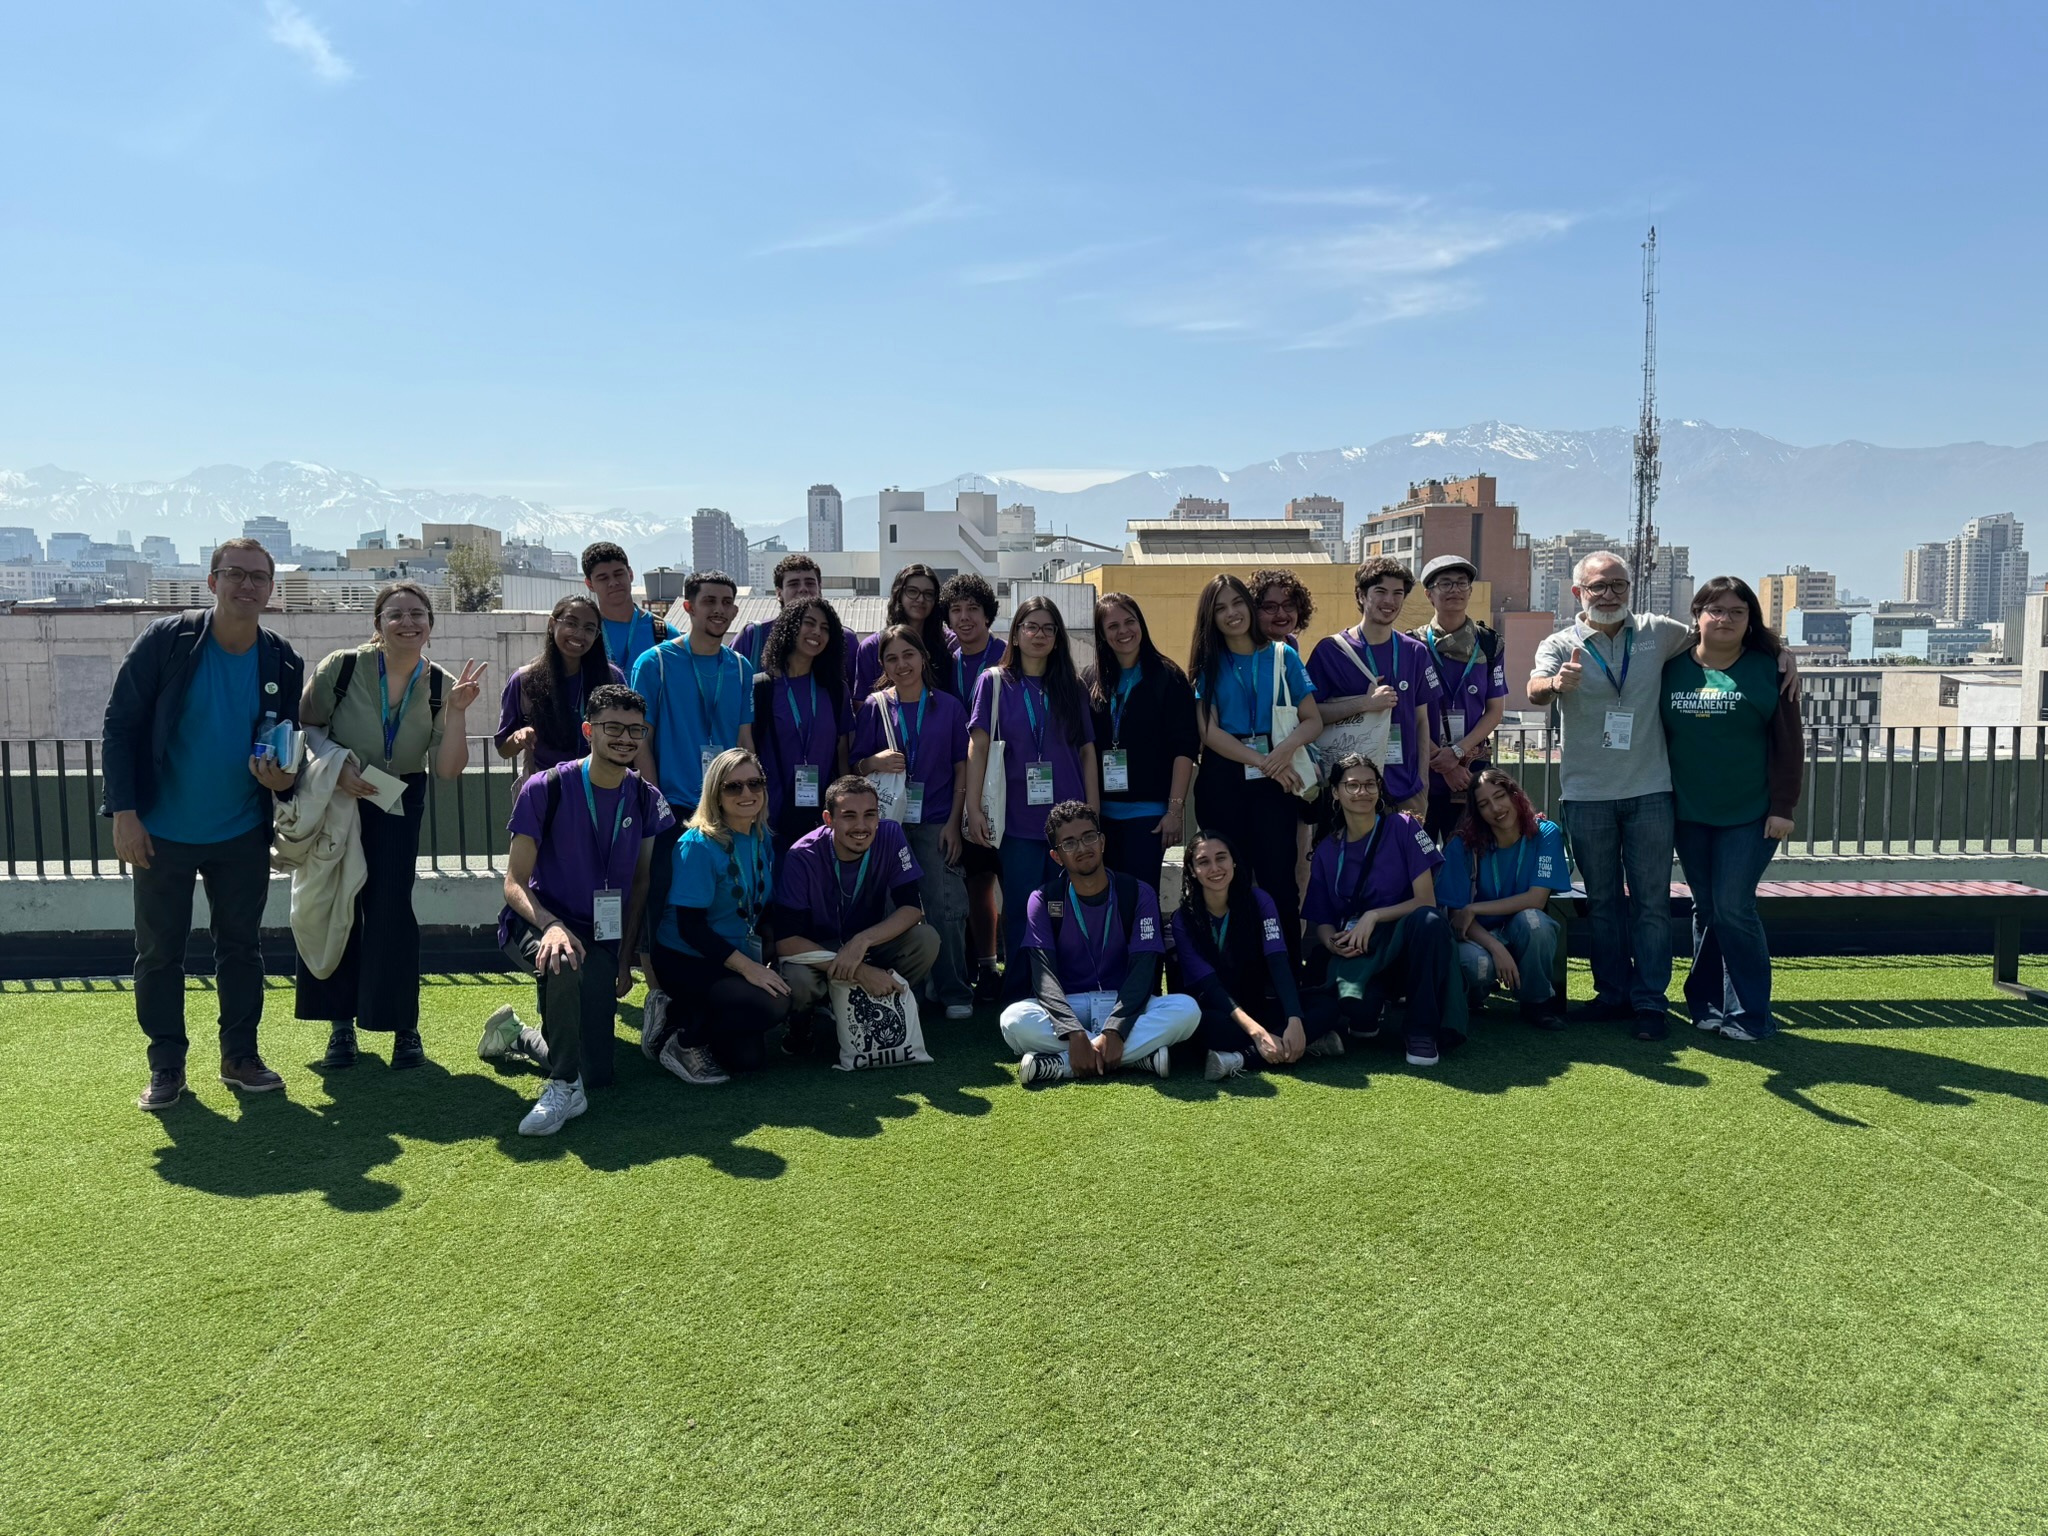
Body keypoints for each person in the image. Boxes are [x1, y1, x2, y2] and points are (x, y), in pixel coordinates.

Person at [1528, 550, 1797, 1041]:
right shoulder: (1560, 643)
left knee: (1652, 903)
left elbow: (1723, 631)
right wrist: (1554, 683)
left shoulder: (1660, 632)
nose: (1609, 594)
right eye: (1598, 586)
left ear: (1630, 588)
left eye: (1618, 584)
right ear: (1578, 592)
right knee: (1603, 902)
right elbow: (1534, 688)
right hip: (1586, 795)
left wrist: (1783, 652)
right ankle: (1613, 994)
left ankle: (1651, 1001)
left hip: (1652, 792)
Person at [103, 537, 304, 1110]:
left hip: (240, 830)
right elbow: (120, 727)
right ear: (212, 581)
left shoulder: (281, 658)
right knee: (159, 953)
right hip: (159, 830)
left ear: (271, 588)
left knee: (241, 949)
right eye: (235, 573)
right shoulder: (168, 640)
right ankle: (166, 1065)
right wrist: (124, 813)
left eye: (258, 577)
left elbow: (286, 743)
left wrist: (282, 780)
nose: (247, 585)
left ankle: (239, 1056)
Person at [298, 581, 488, 1069]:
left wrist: (457, 713)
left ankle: (403, 1026)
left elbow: (447, 770)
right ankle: (340, 1027)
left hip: (399, 796)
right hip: (340, 794)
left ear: (431, 625)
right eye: (396, 614)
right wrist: (336, 766)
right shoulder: (341, 667)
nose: (407, 622)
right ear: (377, 624)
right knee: (336, 902)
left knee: (391, 910)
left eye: (417, 614)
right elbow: (308, 725)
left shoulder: (443, 685)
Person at [482, 685, 672, 1135]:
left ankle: (517, 1034)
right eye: (613, 728)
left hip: (601, 934)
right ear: (589, 730)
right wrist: (551, 925)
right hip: (536, 921)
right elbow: (513, 882)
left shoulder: (646, 798)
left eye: (635, 730)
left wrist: (624, 960)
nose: (625, 739)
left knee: (599, 1072)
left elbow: (641, 884)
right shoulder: (545, 787)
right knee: (563, 958)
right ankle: (564, 1086)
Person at [1661, 576, 1804, 1042]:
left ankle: (1751, 1014)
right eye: (1716, 610)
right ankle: (1706, 1004)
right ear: (1697, 615)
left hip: (1751, 813)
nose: (1725, 619)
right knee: (1706, 908)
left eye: (1737, 612)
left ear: (1750, 620)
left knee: (1733, 907)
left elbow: (1789, 745)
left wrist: (1783, 807)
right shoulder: (1670, 667)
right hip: (1688, 812)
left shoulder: (1770, 670)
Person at [997, 802, 1200, 1085]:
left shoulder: (1137, 892)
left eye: (1089, 837)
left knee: (1187, 1010)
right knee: (1013, 1019)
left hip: (1122, 1002)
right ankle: (1134, 1057)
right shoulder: (1042, 900)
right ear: (1057, 856)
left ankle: (1065, 1063)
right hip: (1071, 1004)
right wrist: (1073, 1031)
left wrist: (1115, 1029)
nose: (1082, 848)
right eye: (1069, 843)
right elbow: (1044, 979)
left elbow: (1143, 970)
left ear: (1102, 842)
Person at [964, 597, 1099, 999]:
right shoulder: (993, 682)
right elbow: (978, 747)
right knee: (1023, 910)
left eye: (1048, 628)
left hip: (1070, 820)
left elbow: (1087, 751)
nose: (1039, 635)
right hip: (1017, 819)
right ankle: (1021, 995)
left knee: (1068, 909)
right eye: (1031, 627)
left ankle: (1068, 990)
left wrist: (1093, 813)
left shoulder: (1071, 686)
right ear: (1016, 634)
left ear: (1058, 637)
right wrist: (973, 807)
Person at [1188, 573, 1322, 966]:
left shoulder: (1283, 655)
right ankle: (1237, 977)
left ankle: (1287, 977)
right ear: (1210, 617)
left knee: (1280, 883)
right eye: (1220, 608)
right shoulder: (1209, 664)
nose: (1232, 613)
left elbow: (1312, 719)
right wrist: (1263, 761)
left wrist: (1283, 751)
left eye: (1237, 603)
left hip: (1277, 777)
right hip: (1225, 779)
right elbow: (1209, 732)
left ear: (1249, 605)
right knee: (1227, 884)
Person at [1302, 753, 1464, 1068]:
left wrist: (1373, 915)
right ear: (1335, 792)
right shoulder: (1326, 850)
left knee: (1429, 921)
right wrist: (1333, 943)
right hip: (1363, 949)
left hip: (1408, 944)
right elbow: (1321, 920)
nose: (1362, 792)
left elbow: (1425, 900)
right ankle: (1371, 1006)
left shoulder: (1405, 826)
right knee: (1358, 1013)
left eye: (1370, 785)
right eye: (1352, 785)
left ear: (1379, 789)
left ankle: (1421, 1029)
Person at [645, 748, 790, 1082]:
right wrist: (750, 968)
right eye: (733, 786)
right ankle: (680, 1039)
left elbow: (762, 906)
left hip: (732, 953)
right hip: (687, 957)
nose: (747, 793)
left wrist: (771, 952)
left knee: (747, 1060)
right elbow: (691, 928)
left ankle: (683, 1016)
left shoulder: (760, 836)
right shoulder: (697, 844)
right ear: (716, 794)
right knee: (773, 1003)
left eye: (755, 783)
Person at [851, 624, 973, 1018]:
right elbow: (855, 767)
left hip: (937, 821)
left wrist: (954, 823)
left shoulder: (949, 707)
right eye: (891, 658)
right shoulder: (875, 707)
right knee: (891, 909)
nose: (901, 664)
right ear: (883, 665)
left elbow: (961, 768)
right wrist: (873, 762)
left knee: (945, 905)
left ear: (923, 657)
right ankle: (906, 989)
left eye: (908, 654)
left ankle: (954, 990)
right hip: (888, 825)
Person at [771, 776, 941, 1054]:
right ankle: (802, 1021)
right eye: (849, 816)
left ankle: (883, 1003)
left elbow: (911, 908)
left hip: (867, 944)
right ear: (829, 819)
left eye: (869, 815)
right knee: (798, 979)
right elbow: (787, 942)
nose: (861, 826)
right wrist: (861, 971)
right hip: (820, 952)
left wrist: (861, 942)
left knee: (926, 939)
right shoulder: (801, 856)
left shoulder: (890, 834)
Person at [628, 568, 756, 927]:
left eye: (727, 603)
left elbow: (744, 739)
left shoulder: (741, 667)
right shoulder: (654, 663)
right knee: (663, 896)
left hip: (725, 803)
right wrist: (656, 800)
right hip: (673, 805)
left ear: (735, 611)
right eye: (709, 601)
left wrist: (752, 795)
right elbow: (641, 739)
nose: (719, 609)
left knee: (721, 899)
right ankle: (650, 967)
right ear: (689, 607)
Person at [1172, 829, 1344, 1081]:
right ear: (1192, 870)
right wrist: (1256, 1032)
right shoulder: (1183, 919)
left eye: (1221, 858)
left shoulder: (1259, 900)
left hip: (1257, 1005)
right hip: (1220, 1011)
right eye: (1203, 862)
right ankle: (1301, 1043)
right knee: (1204, 1029)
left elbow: (1278, 961)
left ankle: (1240, 1058)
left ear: (1233, 861)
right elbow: (1210, 986)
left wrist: (1294, 1018)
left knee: (1327, 1007)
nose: (1215, 868)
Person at [1308, 559, 1441, 819]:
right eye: (1380, 591)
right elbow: (1310, 716)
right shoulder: (1330, 651)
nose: (1389, 601)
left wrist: (1422, 780)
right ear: (1361, 594)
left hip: (1406, 788)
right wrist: (1364, 703)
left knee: (1407, 847)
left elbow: (1421, 721)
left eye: (1397, 593)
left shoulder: (1415, 652)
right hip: (1349, 789)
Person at [1438, 768, 1571, 1029]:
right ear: (1477, 812)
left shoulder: (1545, 833)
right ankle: (1474, 995)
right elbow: (1458, 918)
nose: (1496, 808)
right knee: (1477, 965)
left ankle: (1536, 1003)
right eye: (1484, 804)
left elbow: (1536, 899)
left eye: (1500, 796)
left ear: (1514, 794)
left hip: (1520, 929)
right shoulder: (1462, 845)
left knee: (1536, 924)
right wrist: (1496, 947)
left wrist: (1475, 908)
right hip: (1478, 935)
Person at [1086, 592, 1198, 891]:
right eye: (1113, 626)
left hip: (1149, 817)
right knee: (1106, 899)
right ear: (1102, 634)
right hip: (1100, 817)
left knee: (1141, 897)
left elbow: (1184, 748)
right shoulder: (1090, 680)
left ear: (1141, 624)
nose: (1123, 631)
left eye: (1130, 621)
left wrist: (1174, 811)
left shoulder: (1168, 677)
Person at [939, 571, 1006, 1000]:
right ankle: (984, 965)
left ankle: (1018, 965)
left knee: (1012, 878)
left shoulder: (1009, 654)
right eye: (956, 610)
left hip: (1005, 781)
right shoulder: (943, 659)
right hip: (959, 781)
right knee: (975, 879)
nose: (964, 618)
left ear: (988, 615)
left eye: (973, 609)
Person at [1414, 555, 1509, 843]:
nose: (1454, 589)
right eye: (1445, 584)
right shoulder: (1413, 645)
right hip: (1423, 768)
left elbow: (1494, 711)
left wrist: (1456, 754)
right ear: (1429, 594)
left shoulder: (1489, 643)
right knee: (1419, 855)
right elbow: (1407, 713)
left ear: (1470, 591)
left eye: (1461, 583)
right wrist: (1442, 762)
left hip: (1470, 770)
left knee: (1468, 855)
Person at [752, 596, 851, 854]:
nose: (817, 632)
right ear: (790, 628)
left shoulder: (835, 690)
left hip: (822, 819)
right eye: (809, 623)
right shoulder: (761, 688)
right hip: (768, 818)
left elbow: (842, 755)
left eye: (825, 628)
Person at [493, 594, 625, 779]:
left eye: (589, 628)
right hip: (547, 788)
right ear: (552, 624)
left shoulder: (612, 677)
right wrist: (519, 737)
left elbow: (627, 733)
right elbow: (503, 750)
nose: (579, 634)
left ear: (597, 635)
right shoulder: (524, 680)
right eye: (571, 623)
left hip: (602, 785)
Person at [852, 564, 950, 705]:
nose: (921, 599)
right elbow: (862, 704)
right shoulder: (872, 646)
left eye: (928, 594)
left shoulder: (948, 643)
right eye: (912, 591)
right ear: (899, 594)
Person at [581, 541, 672, 676]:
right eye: (603, 578)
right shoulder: (583, 634)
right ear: (590, 584)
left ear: (630, 574)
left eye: (618, 574)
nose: (613, 583)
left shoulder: (663, 633)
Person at [731, 552, 823, 671]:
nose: (803, 589)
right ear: (779, 593)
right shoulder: (753, 636)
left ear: (820, 589)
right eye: (794, 584)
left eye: (810, 583)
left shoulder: (841, 638)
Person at [1251, 567, 1315, 651]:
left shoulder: (1291, 642)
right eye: (1270, 607)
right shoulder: (1246, 650)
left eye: (1288, 605)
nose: (1281, 614)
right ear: (1253, 611)